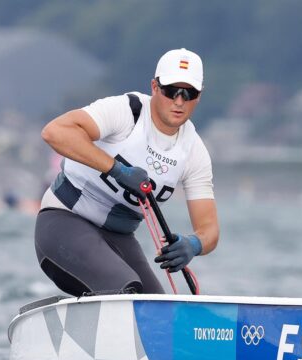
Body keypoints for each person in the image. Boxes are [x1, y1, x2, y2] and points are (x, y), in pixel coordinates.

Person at [35, 48, 218, 296]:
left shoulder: (194, 151)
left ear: (199, 96)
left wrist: (193, 244)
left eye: (189, 93)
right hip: (64, 223)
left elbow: (209, 230)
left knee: (157, 310)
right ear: (154, 87)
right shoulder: (127, 111)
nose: (179, 101)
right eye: (171, 91)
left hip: (119, 240)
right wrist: (117, 170)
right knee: (127, 290)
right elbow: (54, 132)